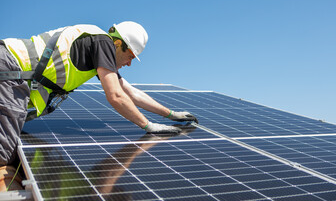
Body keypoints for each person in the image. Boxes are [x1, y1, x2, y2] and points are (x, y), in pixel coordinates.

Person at [0, 21, 198, 190]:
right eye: (130, 55)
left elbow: (131, 92)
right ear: (118, 43)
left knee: (13, 153)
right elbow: (116, 96)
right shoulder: (102, 42)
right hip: (9, 69)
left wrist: (170, 114)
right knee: (4, 155)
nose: (129, 63)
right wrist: (149, 126)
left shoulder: (97, 47)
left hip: (12, 73)